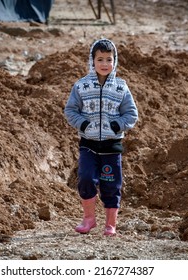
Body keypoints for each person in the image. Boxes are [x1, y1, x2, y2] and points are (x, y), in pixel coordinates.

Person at [64, 38, 138, 236]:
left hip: (111, 147)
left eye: (108, 59)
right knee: (86, 178)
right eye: (100, 59)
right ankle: (89, 219)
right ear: (92, 61)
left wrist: (117, 125)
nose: (104, 64)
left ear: (115, 61)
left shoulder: (121, 88)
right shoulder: (81, 86)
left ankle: (110, 224)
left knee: (111, 184)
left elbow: (131, 114)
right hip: (88, 145)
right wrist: (83, 124)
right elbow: (70, 110)